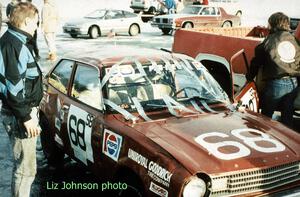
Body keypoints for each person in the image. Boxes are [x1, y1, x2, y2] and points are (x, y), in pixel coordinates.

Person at [0, 2, 43, 197]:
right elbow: (12, 87)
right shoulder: (14, 44)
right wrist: (26, 117)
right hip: (20, 116)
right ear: (26, 21)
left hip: (20, 113)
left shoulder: (16, 40)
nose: (37, 26)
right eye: (36, 22)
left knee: (25, 169)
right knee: (26, 170)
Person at [246, 12, 300, 128]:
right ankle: (288, 139)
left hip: (276, 84)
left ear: (272, 24)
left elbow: (256, 62)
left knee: (266, 116)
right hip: (294, 83)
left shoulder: (268, 41)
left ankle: (265, 138)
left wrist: (249, 78)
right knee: (287, 114)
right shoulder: (294, 40)